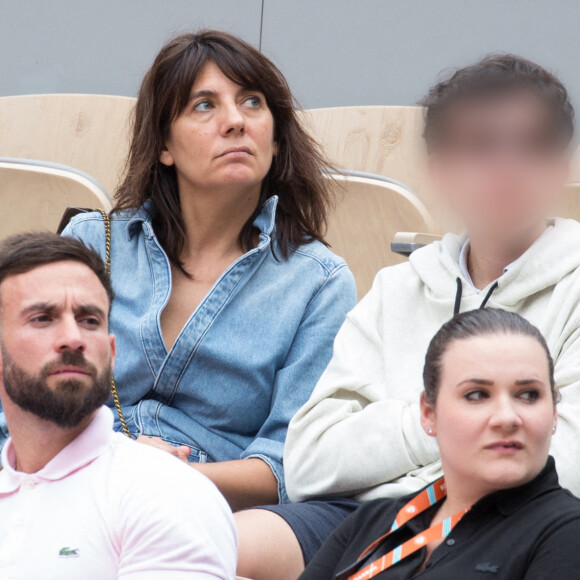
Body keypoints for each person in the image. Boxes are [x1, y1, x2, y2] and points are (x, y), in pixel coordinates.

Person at [236, 54, 580, 579]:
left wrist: (407, 431)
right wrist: (444, 424)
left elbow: (569, 466)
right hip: (366, 515)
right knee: (209, 543)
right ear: (441, 170)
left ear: (562, 165)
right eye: (480, 147)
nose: (506, 167)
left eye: (531, 146)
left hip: (509, 519)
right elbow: (309, 461)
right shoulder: (399, 286)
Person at [57, 29, 356, 512]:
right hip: (68, 483)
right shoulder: (92, 245)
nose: (235, 121)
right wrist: (108, 457)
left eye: (252, 102)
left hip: (209, 513)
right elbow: (18, 399)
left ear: (276, 140)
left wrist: (172, 478)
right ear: (164, 146)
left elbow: (289, 464)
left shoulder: (318, 282)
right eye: (204, 105)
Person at [0, 233, 237, 579]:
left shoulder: (165, 493)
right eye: (42, 318)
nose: (74, 338)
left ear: (111, 354)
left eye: (89, 321)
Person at [300, 309, 580, 580]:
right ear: (428, 413)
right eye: (477, 395)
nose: (507, 417)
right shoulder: (374, 522)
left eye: (529, 395)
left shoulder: (566, 533)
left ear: (554, 411)